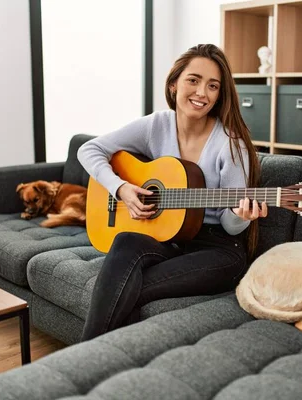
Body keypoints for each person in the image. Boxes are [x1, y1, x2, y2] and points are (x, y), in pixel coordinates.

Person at [77, 43, 268, 341]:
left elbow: (232, 229)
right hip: (171, 238)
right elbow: (90, 150)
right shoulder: (156, 126)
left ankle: (83, 359)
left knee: (123, 287)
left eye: (213, 86)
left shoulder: (231, 145)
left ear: (220, 95)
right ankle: (102, 364)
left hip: (217, 250)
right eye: (193, 80)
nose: (202, 92)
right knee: (126, 240)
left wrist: (240, 214)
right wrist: (122, 188)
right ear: (173, 84)